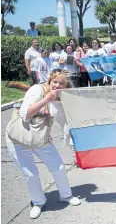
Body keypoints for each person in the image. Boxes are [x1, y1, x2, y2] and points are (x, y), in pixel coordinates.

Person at [6, 70, 81, 219]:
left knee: (59, 167)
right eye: (55, 82)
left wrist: (74, 150)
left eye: (62, 83)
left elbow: (66, 126)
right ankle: (38, 202)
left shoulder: (61, 100)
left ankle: (66, 195)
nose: (57, 85)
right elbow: (25, 114)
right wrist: (46, 99)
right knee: (31, 173)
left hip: (41, 138)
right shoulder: (37, 90)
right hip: (18, 138)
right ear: (49, 81)